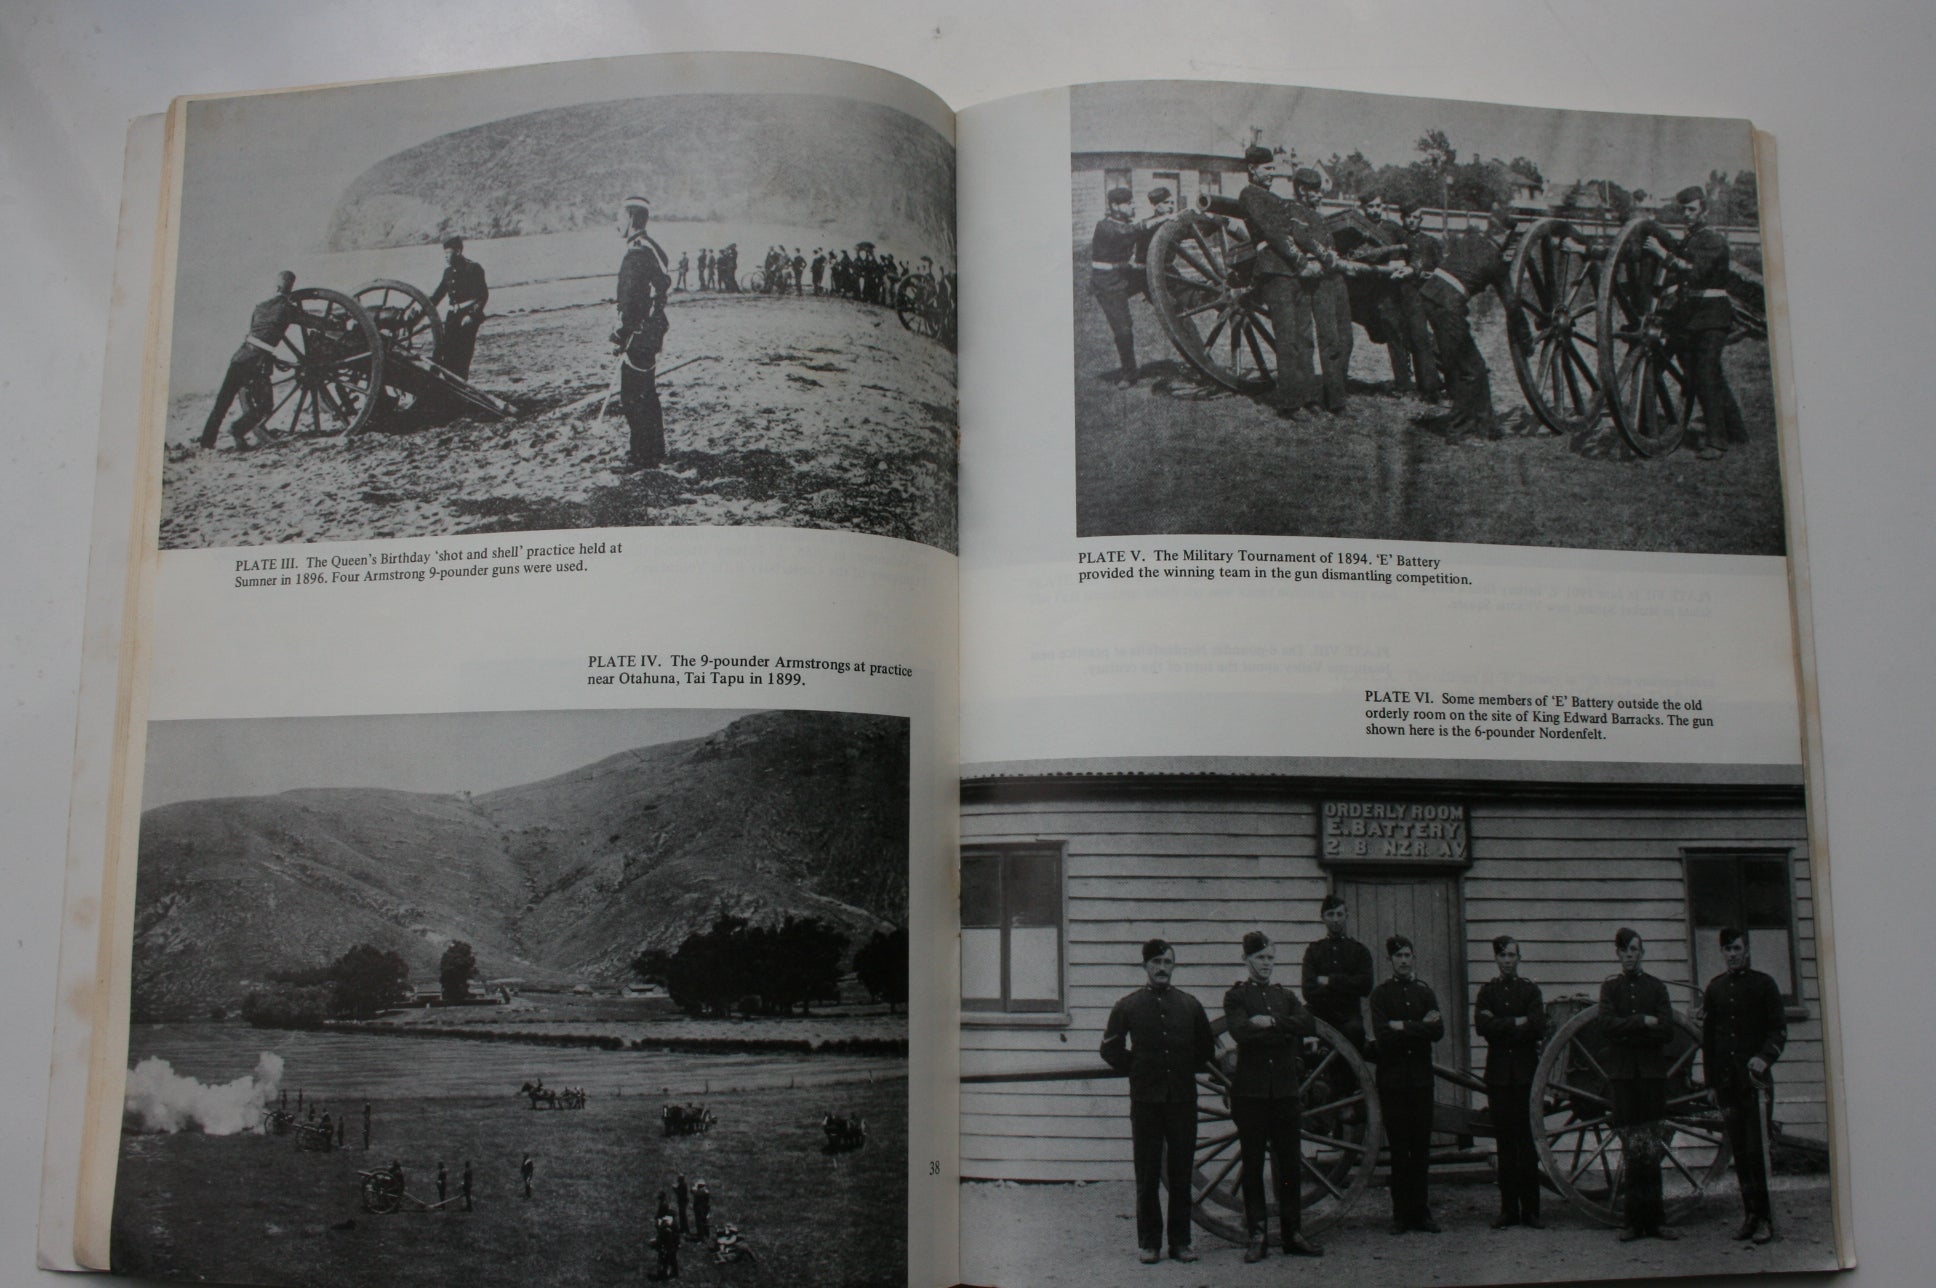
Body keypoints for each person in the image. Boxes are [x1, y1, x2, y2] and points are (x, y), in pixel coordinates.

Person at [1100, 937, 1215, 1264]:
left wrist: (1179, 1070)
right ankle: (1150, 1243)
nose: (1162, 969)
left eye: (1167, 963)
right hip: (1146, 1102)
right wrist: (1137, 1069)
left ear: (1173, 966)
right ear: (1145, 967)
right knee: (1147, 1175)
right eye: (1156, 963)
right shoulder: (1128, 1006)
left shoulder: (1190, 1005)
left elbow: (1205, 1050)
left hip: (1182, 1101)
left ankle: (1181, 1243)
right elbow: (1109, 1049)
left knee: (1180, 1175)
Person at [1222, 931, 1323, 1262]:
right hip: (1250, 1094)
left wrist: (1269, 1022)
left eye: (1270, 958)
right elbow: (1239, 1031)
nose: (1266, 964)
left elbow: (1306, 1023)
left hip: (1284, 1093)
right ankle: (1258, 1235)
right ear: (1246, 960)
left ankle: (1293, 1233)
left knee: (1289, 1164)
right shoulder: (1236, 998)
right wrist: (1282, 1030)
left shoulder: (1284, 996)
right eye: (1260, 958)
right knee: (1253, 1166)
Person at [1700, 926, 1787, 1243]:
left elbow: (1778, 1030)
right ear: (1722, 953)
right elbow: (1708, 1041)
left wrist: (1764, 1058)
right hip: (1727, 1085)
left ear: (1747, 950)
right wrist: (1711, 1084)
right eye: (1728, 950)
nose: (1733, 955)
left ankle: (1765, 1219)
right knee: (1740, 1151)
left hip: (1755, 1084)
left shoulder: (1764, 985)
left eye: (1738, 949)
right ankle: (1750, 1215)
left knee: (1757, 1150)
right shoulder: (1715, 989)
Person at [1413, 203, 1521, 440]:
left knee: (1468, 365)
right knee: (1471, 369)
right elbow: (1511, 304)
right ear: (1506, 234)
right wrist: (1525, 338)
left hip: (1430, 295)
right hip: (1448, 305)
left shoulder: (1470, 240)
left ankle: (1487, 426)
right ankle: (1458, 430)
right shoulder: (1496, 260)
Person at [1654, 185, 1747, 459]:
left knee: (1705, 374)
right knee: (1707, 374)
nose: (1687, 214)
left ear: (1704, 211)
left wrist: (1664, 256)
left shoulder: (1713, 241)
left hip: (1712, 317)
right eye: (1683, 209)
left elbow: (1695, 274)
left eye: (1692, 209)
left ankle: (1717, 442)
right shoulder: (1690, 239)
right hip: (1690, 317)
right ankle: (1736, 430)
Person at [1600, 928, 1679, 1242]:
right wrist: (1643, 1022)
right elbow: (1606, 1026)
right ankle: (1633, 1222)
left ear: (1642, 953)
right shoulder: (1610, 988)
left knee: (1651, 1146)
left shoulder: (1656, 988)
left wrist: (1627, 1028)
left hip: (1649, 1076)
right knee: (1631, 1148)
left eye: (1635, 950)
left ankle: (1655, 1221)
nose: (1630, 955)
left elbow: (1668, 1031)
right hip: (1624, 1077)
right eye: (1624, 951)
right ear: (1618, 955)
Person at [1370, 934, 1445, 1235]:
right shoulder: (1380, 995)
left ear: (1414, 958)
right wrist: (1419, 1027)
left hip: (1421, 1082)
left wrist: (1401, 1026)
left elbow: (1437, 1031)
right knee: (1400, 1151)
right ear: (1390, 960)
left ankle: (1422, 1213)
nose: (1403, 960)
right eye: (1398, 956)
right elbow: (1382, 1035)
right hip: (1393, 1082)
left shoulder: (1425, 992)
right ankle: (1400, 1214)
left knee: (1421, 1149)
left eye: (1407, 955)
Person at [1475, 935, 1547, 1228]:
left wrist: (1501, 1023)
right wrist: (1516, 1022)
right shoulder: (1487, 992)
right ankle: (1508, 1211)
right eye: (1502, 955)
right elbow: (1482, 1027)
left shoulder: (1530, 991)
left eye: (1512, 955)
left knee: (1527, 1144)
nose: (1507, 960)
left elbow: (1537, 1026)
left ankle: (1531, 1211)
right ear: (1496, 959)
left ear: (1519, 958)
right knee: (1505, 1145)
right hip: (1500, 1078)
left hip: (1526, 1076)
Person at [198, 269, 299, 450]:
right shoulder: (288, 309)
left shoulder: (260, 307)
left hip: (240, 357)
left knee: (222, 402)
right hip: (257, 364)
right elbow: (312, 322)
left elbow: (256, 333)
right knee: (265, 406)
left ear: (276, 286)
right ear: (290, 289)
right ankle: (237, 430)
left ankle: (206, 442)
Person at [613, 194, 672, 472]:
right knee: (647, 392)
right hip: (652, 330)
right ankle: (654, 452)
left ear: (632, 219)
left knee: (633, 396)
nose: (616, 224)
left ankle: (641, 457)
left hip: (639, 332)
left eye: (619, 217)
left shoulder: (636, 252)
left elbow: (632, 300)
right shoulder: (652, 248)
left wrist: (620, 333)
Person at [1289, 167, 1352, 412]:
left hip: (1335, 279)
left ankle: (1334, 391)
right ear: (1302, 191)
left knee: (1345, 337)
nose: (1320, 195)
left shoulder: (1318, 214)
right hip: (1319, 282)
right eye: (1315, 191)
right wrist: (1325, 255)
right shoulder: (1295, 212)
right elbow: (1300, 237)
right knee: (1329, 339)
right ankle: (1329, 401)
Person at [1088, 185, 1145, 387]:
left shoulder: (1123, 223)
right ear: (1114, 205)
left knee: (1153, 277)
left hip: (1124, 274)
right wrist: (1159, 219)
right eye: (1128, 203)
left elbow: (1137, 232)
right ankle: (1129, 374)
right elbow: (1128, 234)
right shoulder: (1105, 227)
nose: (1133, 206)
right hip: (1107, 282)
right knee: (1123, 329)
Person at [1302, 894, 1374, 1050]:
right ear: (1323, 918)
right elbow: (1308, 990)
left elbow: (1365, 985)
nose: (1335, 919)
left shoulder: (1359, 951)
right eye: (1330, 914)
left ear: (1346, 916)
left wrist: (1329, 981)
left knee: (1355, 1031)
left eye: (1339, 914)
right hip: (1320, 1014)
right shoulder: (1313, 951)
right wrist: (1347, 984)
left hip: (1348, 1017)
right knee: (1297, 1020)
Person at [428, 235, 488, 380]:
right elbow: (437, 296)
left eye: (448, 253)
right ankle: (450, 385)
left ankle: (460, 385)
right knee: (445, 352)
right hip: (452, 317)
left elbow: (482, 296)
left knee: (463, 355)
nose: (445, 257)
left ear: (458, 252)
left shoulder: (473, 268)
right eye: (445, 254)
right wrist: (419, 310)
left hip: (466, 318)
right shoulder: (448, 272)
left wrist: (472, 315)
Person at [654, 1213, 681, 1279]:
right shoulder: (667, 1227)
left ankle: (672, 1273)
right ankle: (667, 1272)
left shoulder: (667, 1230)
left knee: (671, 1259)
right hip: (670, 1245)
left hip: (671, 1246)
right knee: (669, 1259)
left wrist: (663, 1247)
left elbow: (670, 1240)